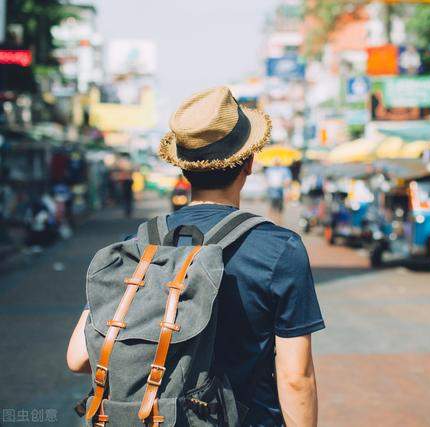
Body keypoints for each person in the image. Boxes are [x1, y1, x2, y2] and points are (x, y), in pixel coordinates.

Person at [67, 87, 324, 427]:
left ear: (183, 170)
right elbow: (295, 377)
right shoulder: (279, 248)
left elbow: (78, 357)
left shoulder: (138, 245)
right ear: (248, 163)